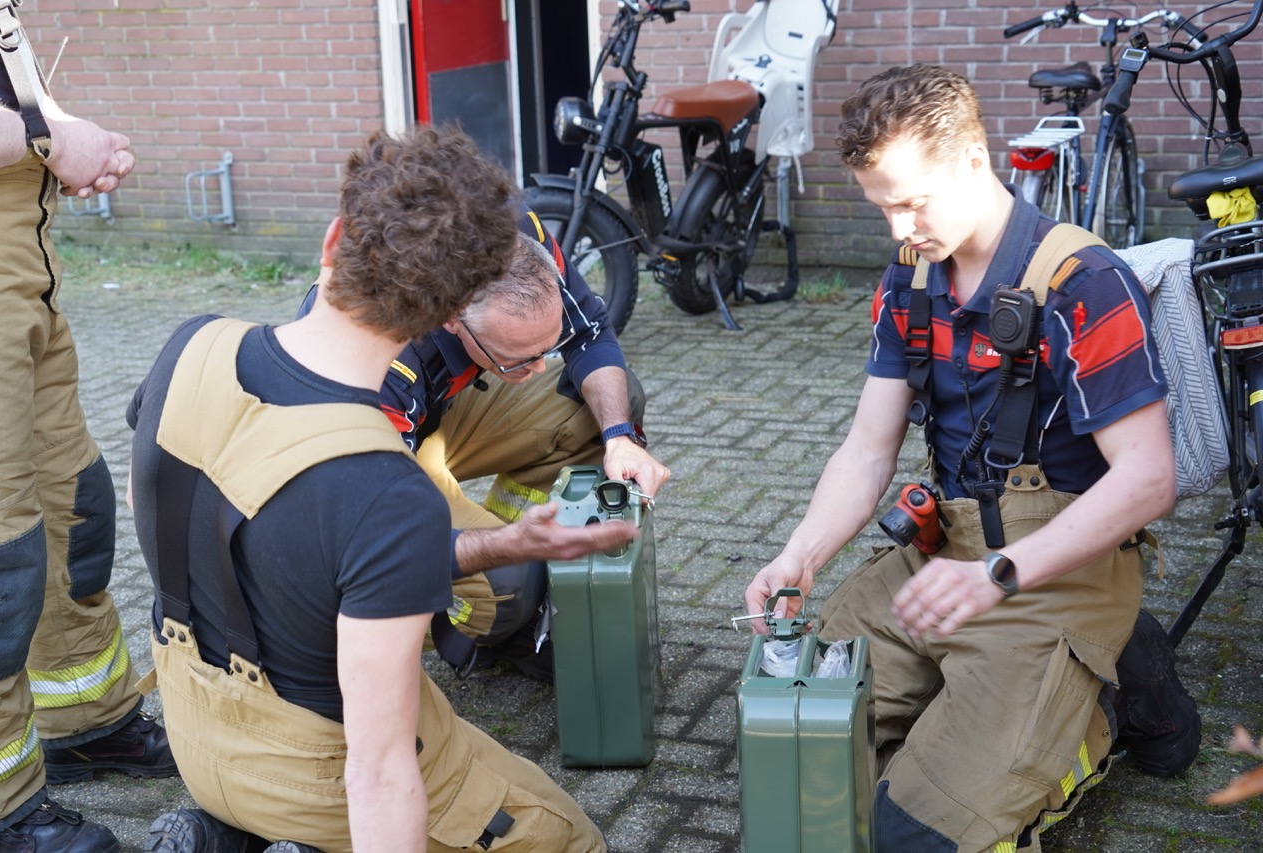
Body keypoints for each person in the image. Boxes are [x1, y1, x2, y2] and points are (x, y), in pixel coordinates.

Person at [744, 64, 1199, 852]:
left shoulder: (1086, 282)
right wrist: (799, 554)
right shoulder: (910, 279)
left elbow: (1148, 477)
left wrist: (996, 576)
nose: (897, 229)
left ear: (969, 159)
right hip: (945, 556)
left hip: (1054, 578)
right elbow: (868, 447)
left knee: (911, 836)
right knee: (793, 747)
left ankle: (1106, 711)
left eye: (911, 202)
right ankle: (979, 704)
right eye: (882, 207)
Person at [133, 126, 610, 853]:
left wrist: (505, 543)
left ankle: (228, 831)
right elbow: (379, 772)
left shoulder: (191, 346)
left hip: (192, 732)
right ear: (449, 314)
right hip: (310, 771)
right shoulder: (387, 491)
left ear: (331, 238)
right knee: (572, 836)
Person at [298, 200, 671, 680]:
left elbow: (590, 334)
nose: (540, 369)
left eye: (544, 350)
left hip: (433, 412)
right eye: (520, 360)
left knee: (599, 403)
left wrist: (619, 438)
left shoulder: (518, 237)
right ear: (453, 317)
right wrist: (500, 552)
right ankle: (489, 617)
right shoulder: (372, 355)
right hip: (364, 464)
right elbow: (371, 536)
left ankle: (520, 545)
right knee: (505, 588)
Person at [0, 5, 177, 852]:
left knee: (73, 504)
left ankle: (86, 720)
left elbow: (13, 92)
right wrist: (50, 144)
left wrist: (66, 132)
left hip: (24, 268)